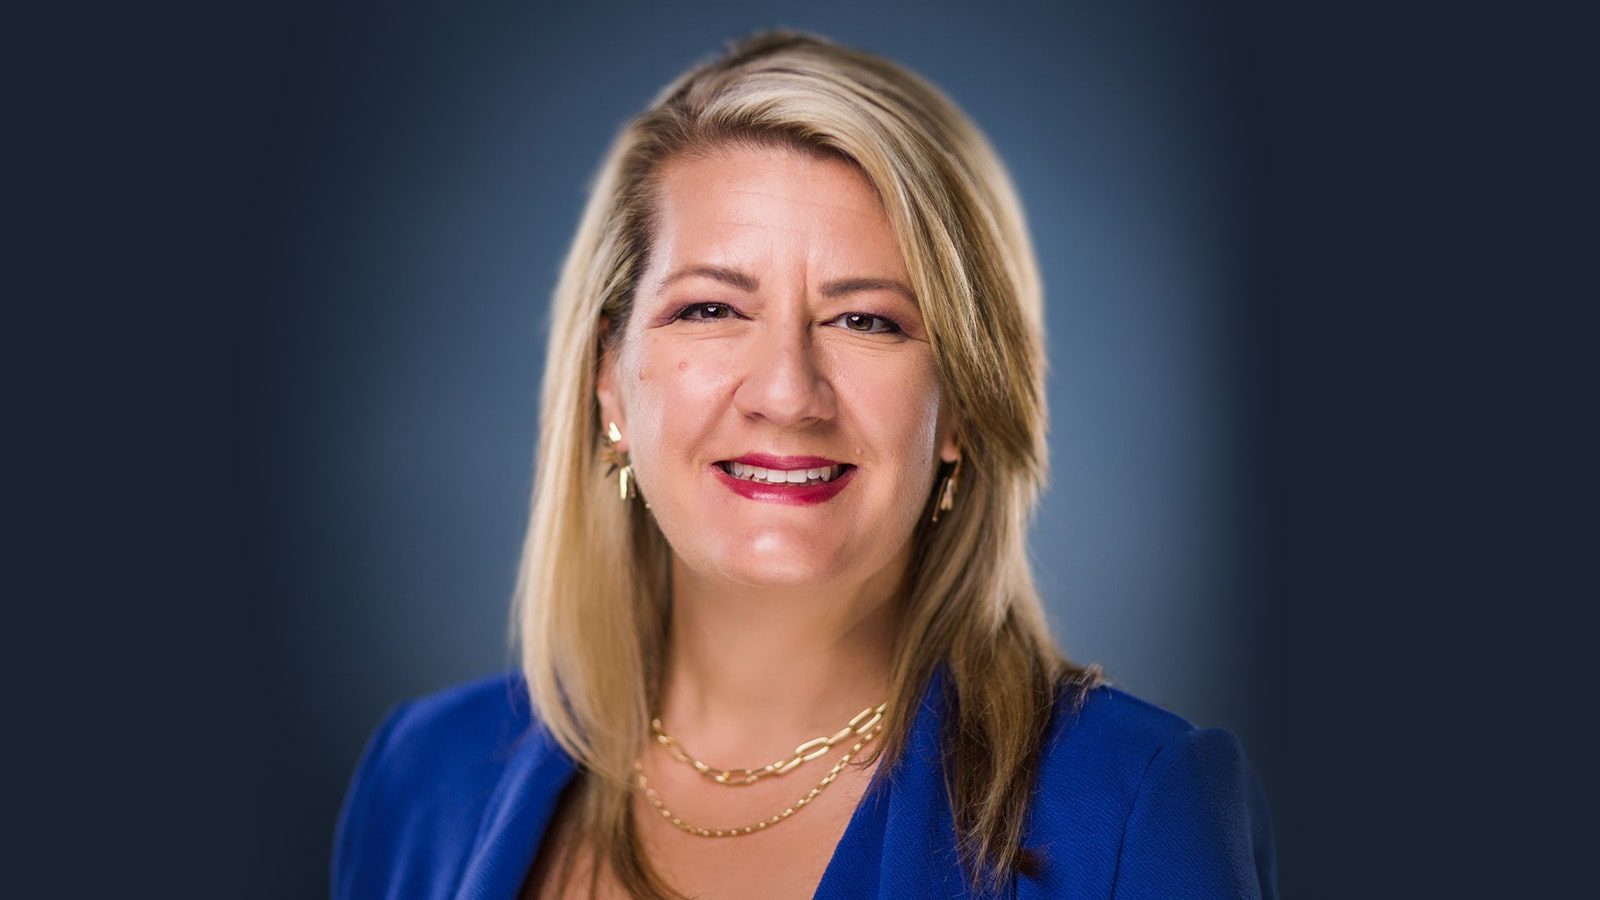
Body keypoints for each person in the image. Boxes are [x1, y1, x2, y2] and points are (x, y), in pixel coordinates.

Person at [331, 28, 1277, 900]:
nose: (788, 392)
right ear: (610, 386)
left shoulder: (1136, 806)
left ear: (958, 407)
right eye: (712, 308)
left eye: (867, 320)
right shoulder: (420, 779)